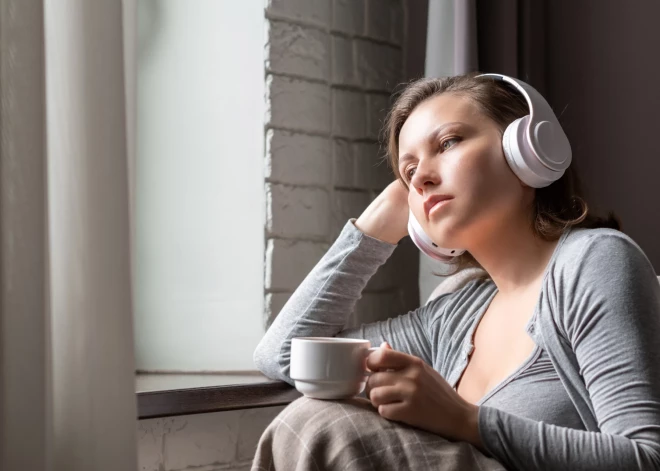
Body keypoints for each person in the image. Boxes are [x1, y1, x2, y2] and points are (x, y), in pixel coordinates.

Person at [251, 72, 660, 470]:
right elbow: (283, 353)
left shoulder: (593, 261)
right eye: (408, 173)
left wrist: (466, 421)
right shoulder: (455, 311)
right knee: (313, 413)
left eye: (448, 142)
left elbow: (646, 457)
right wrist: (372, 231)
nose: (422, 179)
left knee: (326, 424)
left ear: (529, 150)